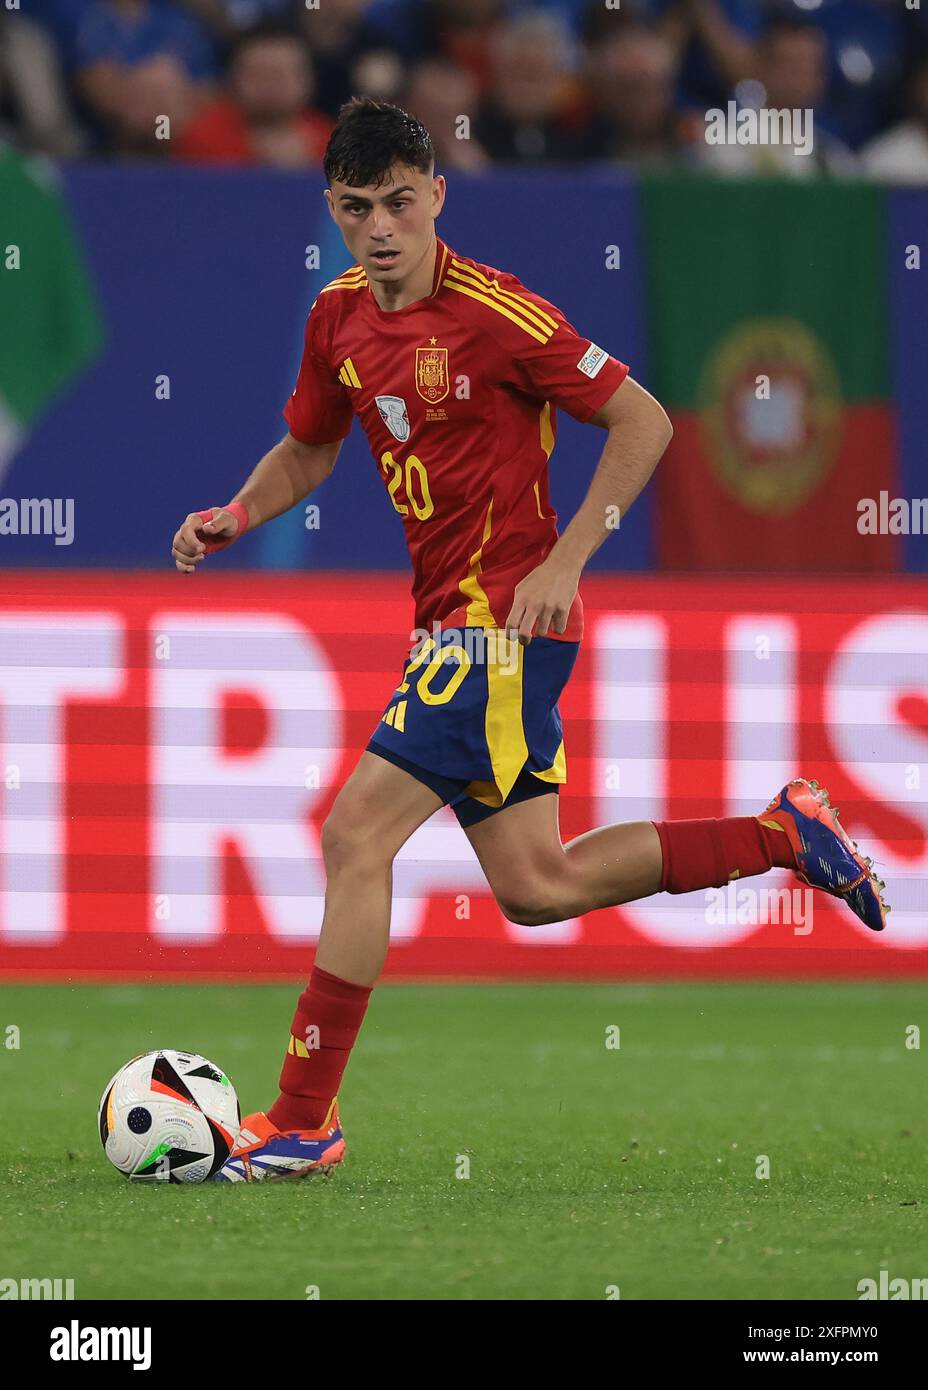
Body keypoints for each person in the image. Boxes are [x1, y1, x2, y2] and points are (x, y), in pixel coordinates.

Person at [171, 97, 889, 1182]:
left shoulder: (495, 312)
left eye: (400, 204)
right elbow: (311, 451)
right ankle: (781, 833)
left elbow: (643, 418)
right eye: (358, 208)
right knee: (536, 886)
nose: (380, 229)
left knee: (355, 838)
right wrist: (233, 513)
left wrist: (566, 563)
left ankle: (302, 1118)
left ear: (436, 196)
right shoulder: (336, 319)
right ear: (334, 206)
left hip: (501, 623)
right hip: (447, 630)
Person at [177, 23, 332, 167]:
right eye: (258, 75)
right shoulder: (202, 139)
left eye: (279, 75)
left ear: (307, 79)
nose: (269, 85)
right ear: (234, 79)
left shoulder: (333, 144)